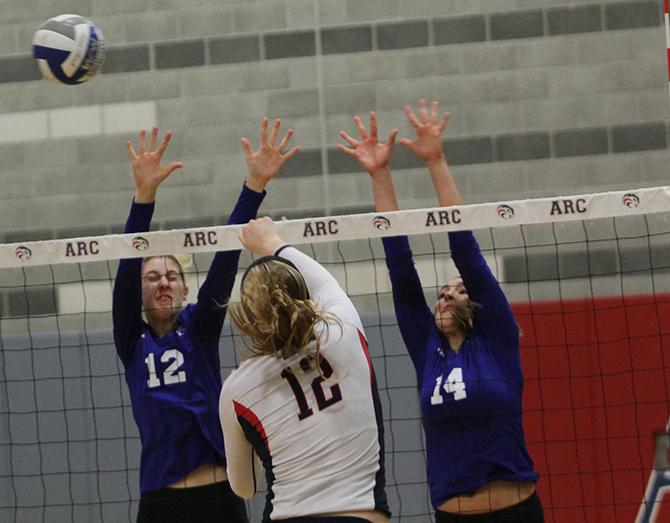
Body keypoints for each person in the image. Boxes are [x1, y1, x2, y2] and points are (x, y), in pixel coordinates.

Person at [338, 99, 544, 522]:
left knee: (464, 255)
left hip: (516, 512)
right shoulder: (425, 345)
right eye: (442, 291)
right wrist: (380, 173)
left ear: (481, 304)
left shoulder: (497, 339)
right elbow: (399, 262)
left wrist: (436, 161)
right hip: (453, 514)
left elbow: (465, 249)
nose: (446, 295)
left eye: (459, 290)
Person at [112, 119, 298, 523]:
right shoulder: (131, 340)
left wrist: (254, 185)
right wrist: (143, 196)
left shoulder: (199, 328)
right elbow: (126, 265)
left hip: (218, 496)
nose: (162, 283)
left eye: (171, 276)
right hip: (160, 499)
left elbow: (227, 256)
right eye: (152, 277)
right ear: (139, 291)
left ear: (184, 289)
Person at [218, 217, 390, 523]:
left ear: (249, 318)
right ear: (305, 296)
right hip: (359, 515)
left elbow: (246, 488)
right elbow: (324, 282)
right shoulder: (344, 329)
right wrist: (272, 242)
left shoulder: (237, 387)